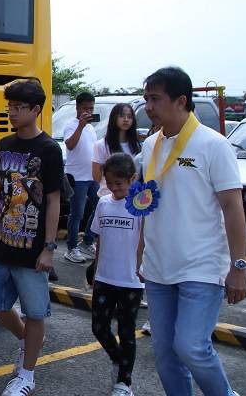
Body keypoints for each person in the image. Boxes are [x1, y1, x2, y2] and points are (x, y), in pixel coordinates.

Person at [140, 67, 246, 396]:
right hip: (158, 268)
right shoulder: (149, 146)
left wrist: (238, 266)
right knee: (166, 355)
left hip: (201, 267)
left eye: (155, 99)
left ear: (181, 101)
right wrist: (139, 256)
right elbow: (145, 205)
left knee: (191, 347)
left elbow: (233, 208)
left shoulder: (213, 145)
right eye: (146, 99)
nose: (148, 106)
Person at [0, 79, 63, 396]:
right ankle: (26, 341)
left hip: (33, 249)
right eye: (10, 107)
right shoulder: (3, 145)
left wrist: (50, 247)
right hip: (1, 243)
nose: (12, 113)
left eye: (18, 108)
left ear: (36, 110)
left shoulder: (49, 149)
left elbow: (54, 199)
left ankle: (26, 375)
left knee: (35, 312)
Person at [89, 153, 144, 396]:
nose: (113, 188)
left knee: (126, 330)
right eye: (109, 183)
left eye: (118, 183)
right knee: (99, 327)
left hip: (130, 280)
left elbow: (145, 240)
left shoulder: (142, 205)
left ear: (133, 179)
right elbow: (100, 238)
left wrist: (142, 267)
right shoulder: (103, 203)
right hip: (105, 277)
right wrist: (95, 267)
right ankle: (119, 360)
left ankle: (124, 382)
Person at [63, 92, 98, 263]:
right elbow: (70, 145)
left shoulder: (91, 128)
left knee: (99, 207)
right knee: (77, 213)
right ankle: (71, 249)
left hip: (92, 175)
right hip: (77, 177)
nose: (88, 112)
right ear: (77, 107)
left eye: (91, 108)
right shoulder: (71, 125)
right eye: (85, 108)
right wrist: (80, 126)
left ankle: (88, 240)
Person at [92, 103, 142, 196]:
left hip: (131, 198)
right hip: (108, 196)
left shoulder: (135, 145)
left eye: (129, 116)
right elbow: (96, 177)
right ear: (114, 118)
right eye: (122, 116)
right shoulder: (101, 145)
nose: (126, 119)